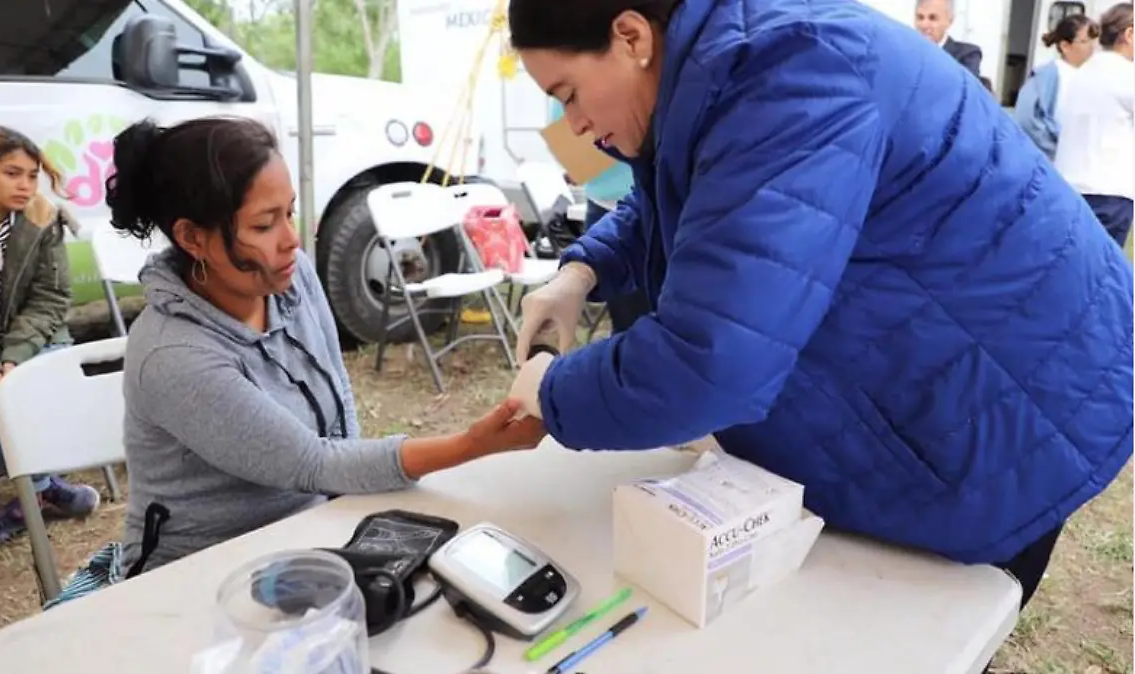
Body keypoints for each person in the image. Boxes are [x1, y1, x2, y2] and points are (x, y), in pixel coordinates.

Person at [505, 0, 1133, 613]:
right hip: (950, 361)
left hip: (1011, 394)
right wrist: (584, 271)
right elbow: (703, 196)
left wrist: (555, 390)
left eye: (568, 94)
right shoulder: (720, 68)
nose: (576, 126)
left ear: (631, 37)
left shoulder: (788, 73)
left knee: (934, 628)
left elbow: (711, 361)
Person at [107, 116, 546, 574]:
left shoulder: (292, 278)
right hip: (201, 572)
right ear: (192, 237)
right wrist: (472, 444)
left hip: (312, 531)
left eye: (290, 212)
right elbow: (313, 462)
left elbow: (339, 409)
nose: (291, 239)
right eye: (263, 225)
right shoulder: (174, 356)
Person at [0, 126, 101, 549]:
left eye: (32, 175)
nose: (26, 185)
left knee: (40, 389)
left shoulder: (41, 219)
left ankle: (34, 496)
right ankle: (47, 490)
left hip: (36, 339)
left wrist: (13, 356)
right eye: (13, 173)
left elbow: (52, 298)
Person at [548, 98, 649, 333]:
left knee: (643, 320)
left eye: (572, 93)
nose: (575, 123)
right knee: (625, 319)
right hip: (601, 203)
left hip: (634, 198)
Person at [1054, 2, 1134, 248]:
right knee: (1100, 275)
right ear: (1129, 34)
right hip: (1108, 191)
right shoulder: (1125, 75)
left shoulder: (1085, 71)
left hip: (1070, 186)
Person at [1015, 14, 1099, 160]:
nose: (1092, 47)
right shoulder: (1048, 74)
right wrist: (1054, 147)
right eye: (1085, 41)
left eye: (1094, 41)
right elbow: (1027, 118)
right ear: (1065, 46)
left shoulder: (1093, 75)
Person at [915, 0, 983, 77]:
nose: (924, 25)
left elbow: (963, 87)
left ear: (950, 20)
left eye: (932, 18)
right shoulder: (908, 53)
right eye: (920, 17)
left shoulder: (967, 55)